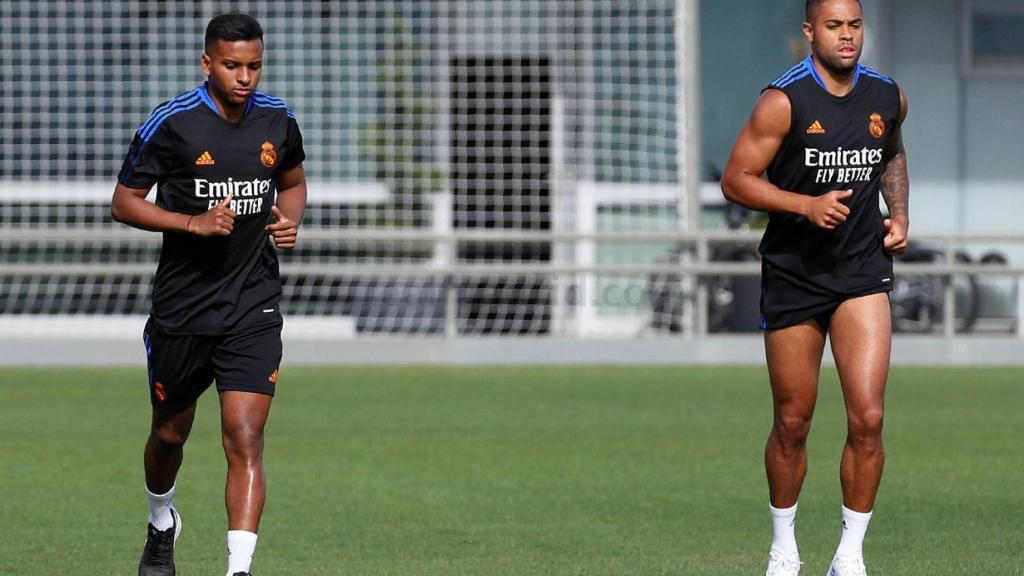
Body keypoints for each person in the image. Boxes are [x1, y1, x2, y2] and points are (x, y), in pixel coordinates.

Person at [111, 13, 306, 576]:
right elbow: (124, 201)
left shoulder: (278, 120)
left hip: (254, 304)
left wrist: (289, 221)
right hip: (184, 307)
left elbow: (292, 184)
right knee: (169, 434)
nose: (245, 77)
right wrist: (189, 223)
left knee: (244, 436)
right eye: (232, 65)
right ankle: (160, 521)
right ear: (207, 63)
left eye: (254, 66)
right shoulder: (172, 123)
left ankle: (238, 570)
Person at [720, 0, 909, 574]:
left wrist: (898, 213)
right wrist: (803, 203)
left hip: (860, 272)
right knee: (794, 421)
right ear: (810, 32)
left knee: (869, 417)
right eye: (834, 26)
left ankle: (849, 556)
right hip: (795, 275)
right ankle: (784, 546)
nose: (847, 36)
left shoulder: (887, 96)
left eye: (854, 25)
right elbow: (736, 180)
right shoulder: (782, 100)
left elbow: (892, 153)